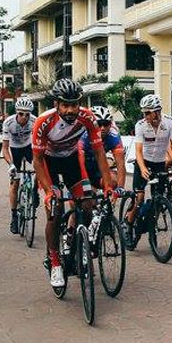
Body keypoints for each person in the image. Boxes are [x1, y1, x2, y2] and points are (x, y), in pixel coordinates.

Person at [32, 79, 111, 289]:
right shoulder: (44, 121)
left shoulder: (87, 117)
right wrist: (49, 191)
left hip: (71, 161)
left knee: (86, 204)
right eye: (65, 105)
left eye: (74, 104)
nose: (70, 109)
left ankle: (76, 243)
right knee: (55, 209)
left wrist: (109, 185)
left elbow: (99, 152)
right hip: (48, 163)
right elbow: (37, 161)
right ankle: (55, 261)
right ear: (56, 104)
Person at [126, 94, 172, 225]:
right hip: (143, 161)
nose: (145, 116)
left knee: (159, 199)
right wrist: (143, 168)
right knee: (139, 198)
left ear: (157, 111)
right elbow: (138, 151)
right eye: (144, 113)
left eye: (148, 113)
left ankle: (151, 225)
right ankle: (128, 223)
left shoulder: (169, 122)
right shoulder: (140, 125)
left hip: (159, 163)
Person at [2, 97, 37, 234]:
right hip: (14, 149)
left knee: (41, 169)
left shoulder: (35, 121)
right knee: (15, 183)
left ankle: (34, 192)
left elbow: (39, 143)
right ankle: (14, 216)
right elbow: (5, 148)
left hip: (28, 147)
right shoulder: (8, 123)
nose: (24, 117)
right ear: (17, 112)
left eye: (27, 114)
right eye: (21, 114)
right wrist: (11, 165)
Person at [82, 106, 126, 192]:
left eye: (106, 124)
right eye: (99, 124)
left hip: (98, 165)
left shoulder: (113, 134)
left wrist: (120, 188)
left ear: (110, 124)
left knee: (113, 182)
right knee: (85, 199)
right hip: (81, 166)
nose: (102, 128)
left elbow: (120, 164)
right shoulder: (83, 134)